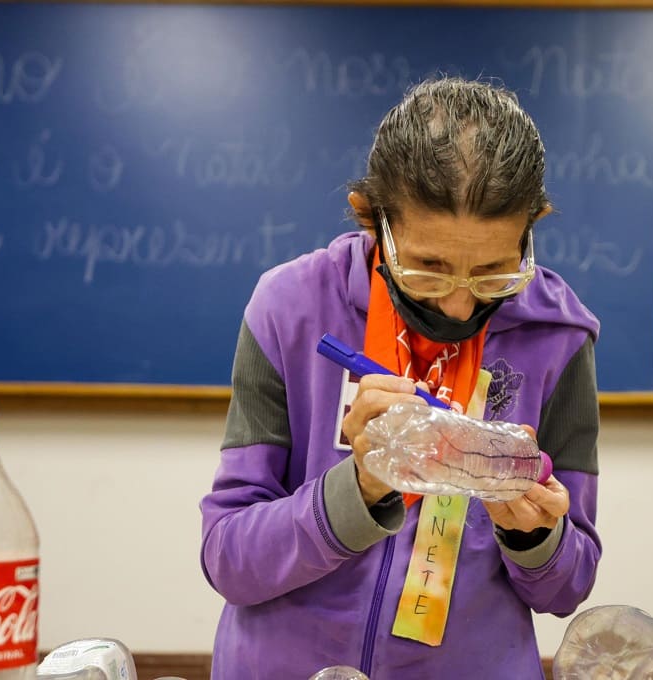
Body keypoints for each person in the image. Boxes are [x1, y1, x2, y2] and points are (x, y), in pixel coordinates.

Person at [199, 76, 602, 679]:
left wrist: (537, 539)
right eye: (429, 270)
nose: (460, 307)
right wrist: (357, 490)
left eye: (494, 272)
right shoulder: (290, 308)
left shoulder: (559, 335)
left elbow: (569, 586)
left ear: (531, 227)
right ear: (371, 221)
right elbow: (228, 558)